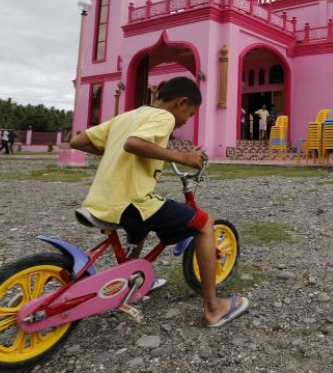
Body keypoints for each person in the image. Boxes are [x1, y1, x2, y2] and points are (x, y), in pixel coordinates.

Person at [69, 77, 249, 328]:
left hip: (101, 201)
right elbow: (134, 144)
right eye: (190, 113)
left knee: (145, 220)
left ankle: (133, 281)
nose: (187, 121)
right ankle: (213, 308)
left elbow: (77, 141)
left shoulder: (127, 116)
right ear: (181, 103)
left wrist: (115, 152)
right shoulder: (164, 117)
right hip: (131, 203)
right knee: (205, 223)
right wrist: (183, 157)